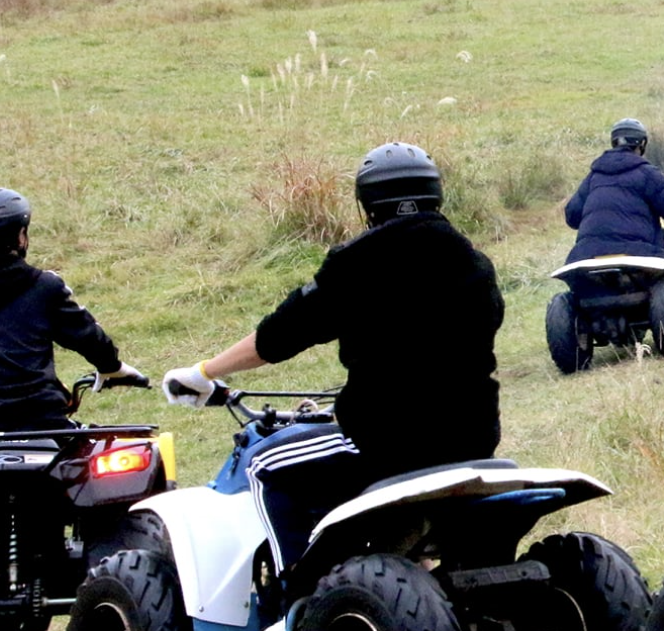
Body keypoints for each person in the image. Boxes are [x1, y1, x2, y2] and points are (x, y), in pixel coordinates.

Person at [161, 142, 505, 581]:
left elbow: (276, 338)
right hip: (474, 439)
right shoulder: (475, 264)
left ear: (368, 204)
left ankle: (297, 594)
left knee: (264, 465)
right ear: (435, 194)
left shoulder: (358, 265)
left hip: (389, 444)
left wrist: (205, 372)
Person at [0, 187, 145, 433]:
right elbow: (87, 337)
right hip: (42, 422)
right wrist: (113, 367)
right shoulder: (43, 287)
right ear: (21, 236)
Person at [563, 118, 664, 264]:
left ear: (613, 142)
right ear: (642, 144)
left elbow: (572, 217)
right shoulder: (647, 173)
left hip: (586, 255)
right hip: (638, 252)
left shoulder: (594, 177)